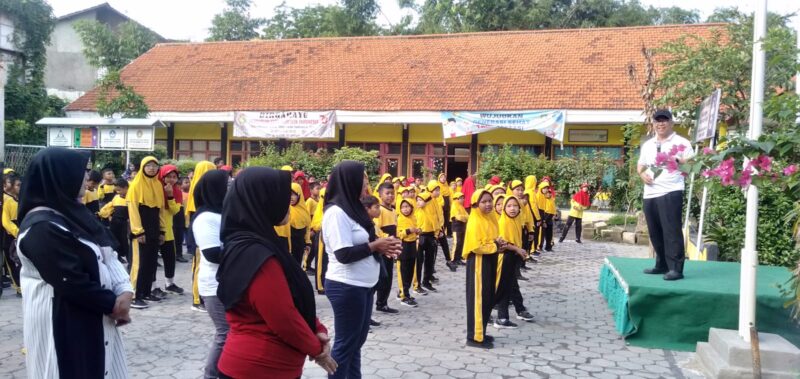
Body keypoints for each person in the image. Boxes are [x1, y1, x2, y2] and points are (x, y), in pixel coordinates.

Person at [17, 148, 133, 378]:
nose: (86, 177)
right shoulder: (41, 227)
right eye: (82, 171)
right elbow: (71, 280)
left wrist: (125, 289)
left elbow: (107, 250)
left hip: (94, 316)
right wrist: (114, 304)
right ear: (60, 175)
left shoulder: (72, 213)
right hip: (65, 322)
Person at [217, 167, 336, 378]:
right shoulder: (255, 254)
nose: (288, 204)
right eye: (281, 196)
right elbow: (283, 317)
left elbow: (291, 296)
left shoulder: (258, 242)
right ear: (264, 200)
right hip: (260, 367)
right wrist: (317, 350)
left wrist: (316, 327)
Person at [322, 161, 401, 378]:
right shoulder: (336, 213)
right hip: (346, 286)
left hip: (363, 285)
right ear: (349, 181)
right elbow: (344, 254)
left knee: (357, 342)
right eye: (362, 180)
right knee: (346, 344)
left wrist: (384, 246)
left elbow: (366, 240)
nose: (366, 184)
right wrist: (375, 246)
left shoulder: (354, 208)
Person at [637, 109, 693, 281]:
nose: (661, 124)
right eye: (657, 121)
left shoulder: (682, 143)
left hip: (671, 190)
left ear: (671, 123)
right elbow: (641, 165)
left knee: (671, 230)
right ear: (653, 123)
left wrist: (677, 160)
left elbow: (692, 166)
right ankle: (661, 264)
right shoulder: (648, 144)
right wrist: (642, 175)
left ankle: (676, 268)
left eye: (664, 120)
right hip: (650, 193)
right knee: (655, 231)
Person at [191, 170, 230, 379]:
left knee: (230, 333)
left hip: (227, 282)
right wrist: (243, 250)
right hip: (213, 285)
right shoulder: (205, 217)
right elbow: (213, 254)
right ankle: (211, 375)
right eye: (226, 185)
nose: (229, 188)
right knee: (225, 333)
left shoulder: (222, 212)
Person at [464, 189, 505, 349]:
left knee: (486, 297)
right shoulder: (475, 220)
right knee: (478, 300)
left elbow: (492, 237)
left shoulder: (490, 217)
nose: (488, 204)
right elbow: (476, 246)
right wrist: (495, 245)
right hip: (478, 263)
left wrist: (497, 242)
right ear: (476, 204)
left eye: (490, 201)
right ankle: (474, 337)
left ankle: (480, 332)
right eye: (484, 202)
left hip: (489, 259)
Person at [128, 157, 165, 309]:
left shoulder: (158, 184)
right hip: (141, 230)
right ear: (143, 167)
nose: (151, 168)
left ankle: (146, 292)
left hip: (154, 228)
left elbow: (161, 210)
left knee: (150, 262)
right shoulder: (136, 185)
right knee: (139, 263)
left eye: (155, 166)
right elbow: (133, 209)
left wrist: (162, 230)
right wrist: (138, 231)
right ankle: (134, 295)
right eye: (148, 165)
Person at [494, 196, 535, 329]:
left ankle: (519, 310)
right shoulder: (503, 222)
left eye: (515, 206)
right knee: (504, 287)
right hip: (505, 256)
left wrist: (520, 251)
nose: (512, 208)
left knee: (512, 285)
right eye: (509, 206)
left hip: (513, 256)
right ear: (504, 208)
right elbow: (503, 243)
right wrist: (517, 249)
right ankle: (502, 317)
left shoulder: (516, 220)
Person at [186, 161, 216, 312]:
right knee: (198, 266)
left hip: (205, 235)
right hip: (199, 237)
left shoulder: (207, 190)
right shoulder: (198, 191)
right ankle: (197, 299)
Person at [153, 164, 185, 296]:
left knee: (170, 258)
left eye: (174, 177)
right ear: (162, 176)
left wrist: (170, 196)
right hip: (154, 228)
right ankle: (152, 286)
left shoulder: (177, 191)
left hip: (168, 230)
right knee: (151, 259)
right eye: (168, 177)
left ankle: (169, 284)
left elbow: (175, 210)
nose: (171, 180)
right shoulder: (155, 188)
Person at [372, 184, 399, 314]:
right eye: (387, 193)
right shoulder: (380, 210)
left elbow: (396, 227)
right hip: (383, 246)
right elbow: (377, 230)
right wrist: (387, 241)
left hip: (391, 245)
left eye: (392, 193)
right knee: (382, 276)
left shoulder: (393, 210)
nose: (390, 196)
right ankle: (379, 302)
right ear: (380, 194)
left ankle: (383, 303)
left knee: (388, 276)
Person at [99, 178, 131, 266]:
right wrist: (101, 213)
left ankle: (130, 260)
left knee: (125, 242)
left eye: (119, 190)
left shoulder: (131, 198)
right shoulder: (116, 197)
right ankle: (117, 258)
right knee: (114, 240)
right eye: (116, 190)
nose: (118, 192)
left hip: (125, 223)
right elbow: (109, 207)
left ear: (126, 188)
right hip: (115, 222)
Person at [395, 198, 420, 307]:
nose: (405, 209)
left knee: (410, 269)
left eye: (407, 207)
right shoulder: (399, 219)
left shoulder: (413, 217)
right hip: (403, 246)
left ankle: (406, 292)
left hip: (412, 245)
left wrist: (418, 231)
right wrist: (408, 230)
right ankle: (403, 296)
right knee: (403, 271)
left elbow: (416, 229)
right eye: (403, 207)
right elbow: (399, 234)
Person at [414, 190, 438, 293]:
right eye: (417, 200)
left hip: (430, 236)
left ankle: (426, 281)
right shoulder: (416, 212)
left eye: (420, 200)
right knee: (419, 261)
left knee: (429, 260)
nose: (418, 202)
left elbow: (436, 223)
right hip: (420, 236)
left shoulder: (431, 211)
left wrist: (436, 235)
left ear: (426, 201)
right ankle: (417, 284)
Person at [2, 172, 21, 296]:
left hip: (22, 233)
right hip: (10, 237)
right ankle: (19, 287)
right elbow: (5, 221)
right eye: (18, 185)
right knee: (12, 263)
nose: (20, 187)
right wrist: (16, 232)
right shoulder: (7, 201)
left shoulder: (23, 200)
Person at [289, 182, 312, 265]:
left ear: (299, 195)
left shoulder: (304, 211)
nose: (291, 197)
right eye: (288, 194)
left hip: (299, 246)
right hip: (287, 247)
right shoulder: (285, 210)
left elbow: (308, 228)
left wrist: (308, 243)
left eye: (293, 194)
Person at [304, 181, 322, 273]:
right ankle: (305, 266)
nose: (319, 190)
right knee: (310, 249)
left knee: (314, 249)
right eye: (317, 188)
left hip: (316, 228)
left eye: (320, 188)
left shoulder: (319, 200)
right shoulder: (309, 201)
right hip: (311, 229)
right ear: (311, 190)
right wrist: (309, 230)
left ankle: (309, 265)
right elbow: (307, 216)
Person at [536, 181, 556, 252]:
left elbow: (553, 208)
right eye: (546, 190)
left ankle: (548, 246)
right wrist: (544, 220)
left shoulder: (550, 200)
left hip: (550, 216)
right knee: (542, 231)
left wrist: (554, 214)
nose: (548, 193)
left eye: (549, 192)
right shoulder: (539, 197)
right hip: (544, 215)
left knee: (549, 232)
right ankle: (539, 246)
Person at [450, 192, 468, 265]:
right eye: (461, 198)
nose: (463, 199)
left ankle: (459, 258)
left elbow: (467, 216)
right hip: (456, 227)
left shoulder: (461, 206)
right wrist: (464, 218)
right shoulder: (454, 206)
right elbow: (458, 217)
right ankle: (453, 259)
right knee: (456, 243)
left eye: (463, 198)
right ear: (456, 199)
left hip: (462, 227)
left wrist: (464, 217)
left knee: (461, 243)